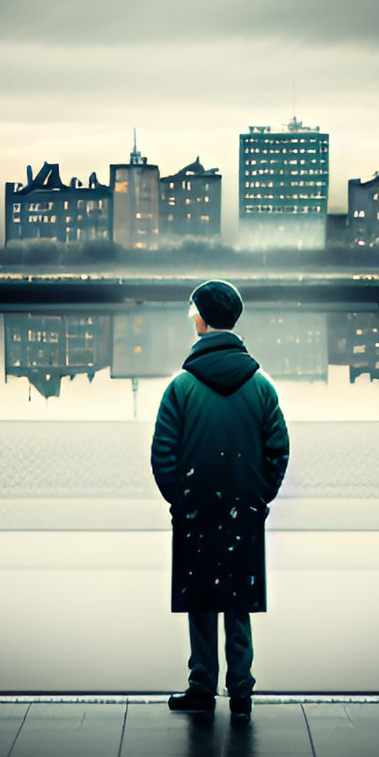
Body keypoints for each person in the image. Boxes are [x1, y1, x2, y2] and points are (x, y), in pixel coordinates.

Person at [150, 280, 289, 721]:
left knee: (201, 600)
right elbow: (278, 450)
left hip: (195, 511)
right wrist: (259, 497)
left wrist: (181, 500)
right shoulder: (261, 386)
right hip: (243, 511)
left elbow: (163, 453)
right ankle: (242, 692)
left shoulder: (182, 387)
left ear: (202, 321)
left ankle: (201, 686)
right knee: (238, 600)